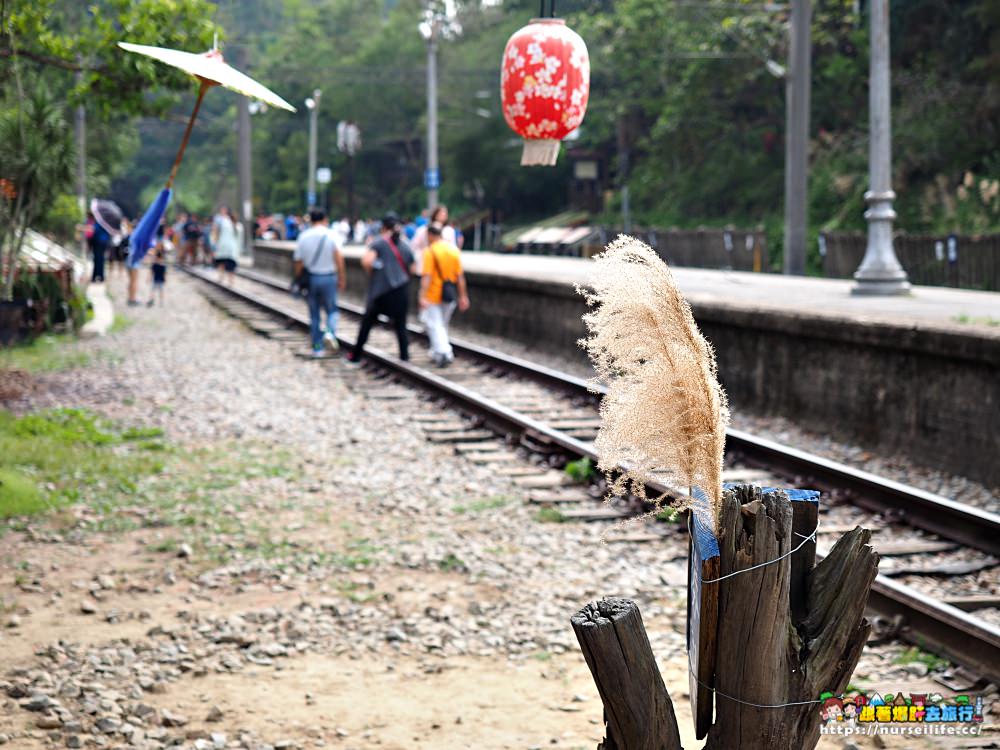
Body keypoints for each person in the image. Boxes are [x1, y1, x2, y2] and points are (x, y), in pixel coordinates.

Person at [346, 213, 415, 364]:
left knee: (367, 324)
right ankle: (405, 357)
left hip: (381, 292)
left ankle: (356, 355)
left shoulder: (379, 243)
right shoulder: (405, 244)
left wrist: (376, 274)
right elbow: (414, 267)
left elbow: (366, 261)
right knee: (401, 326)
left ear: (383, 227)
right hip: (401, 290)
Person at [294, 209, 346, 358]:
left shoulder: (304, 236)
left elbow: (298, 261)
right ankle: (330, 331)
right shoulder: (331, 235)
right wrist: (342, 277)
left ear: (311, 220)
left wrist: (299, 279)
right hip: (329, 277)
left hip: (311, 278)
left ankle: (317, 348)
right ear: (325, 219)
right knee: (332, 309)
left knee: (314, 315)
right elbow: (338, 257)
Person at [419, 222, 469, 367]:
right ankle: (436, 352)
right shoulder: (453, 250)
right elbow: (460, 277)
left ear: (430, 235)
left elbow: (427, 276)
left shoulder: (430, 251)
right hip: (450, 293)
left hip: (433, 294)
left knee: (435, 325)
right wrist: (463, 296)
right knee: (442, 325)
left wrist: (422, 295)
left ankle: (445, 352)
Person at [410, 205, 456, 274]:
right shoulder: (422, 230)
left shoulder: (449, 231)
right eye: (440, 214)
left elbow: (453, 249)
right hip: (425, 265)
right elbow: (414, 247)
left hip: (442, 266)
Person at [211, 206, 240, 285]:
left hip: (223, 246)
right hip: (231, 247)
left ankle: (223, 279)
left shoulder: (221, 221)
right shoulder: (234, 223)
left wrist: (213, 245)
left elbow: (215, 233)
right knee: (229, 264)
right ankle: (229, 281)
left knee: (222, 263)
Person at [87, 213, 110, 283]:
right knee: (100, 259)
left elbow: (94, 230)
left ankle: (96, 276)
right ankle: (100, 276)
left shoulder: (99, 222)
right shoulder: (105, 222)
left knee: (98, 259)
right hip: (102, 242)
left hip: (98, 243)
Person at [147, 240, 167, 307]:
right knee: (156, 290)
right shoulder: (162, 265)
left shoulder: (158, 265)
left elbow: (164, 273)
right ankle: (154, 300)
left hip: (158, 280)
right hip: (157, 280)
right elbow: (151, 272)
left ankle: (159, 301)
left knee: (157, 290)